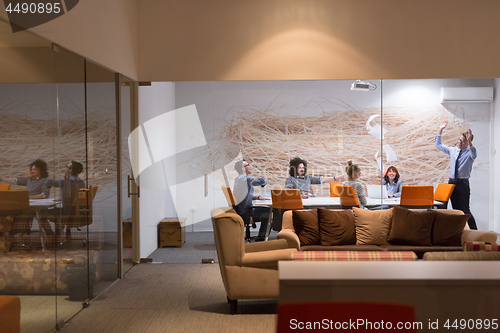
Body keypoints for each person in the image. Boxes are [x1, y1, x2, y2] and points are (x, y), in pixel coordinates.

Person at [435, 120, 477, 230]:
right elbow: (438, 144)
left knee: (464, 210)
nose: (460, 143)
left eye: (463, 141)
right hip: (451, 182)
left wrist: (470, 141)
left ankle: (475, 232)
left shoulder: (470, 153)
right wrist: (440, 130)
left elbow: (473, 151)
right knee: (454, 210)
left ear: (467, 143)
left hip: (462, 184)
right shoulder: (453, 150)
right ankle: (457, 232)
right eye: (459, 140)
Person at [233, 159, 270, 242]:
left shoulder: (238, 179)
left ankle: (261, 237)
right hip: (246, 212)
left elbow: (243, 195)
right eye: (247, 165)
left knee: (266, 210)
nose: (250, 166)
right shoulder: (244, 179)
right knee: (269, 212)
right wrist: (265, 178)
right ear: (243, 168)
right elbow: (261, 181)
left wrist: (257, 197)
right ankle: (261, 239)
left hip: (241, 210)